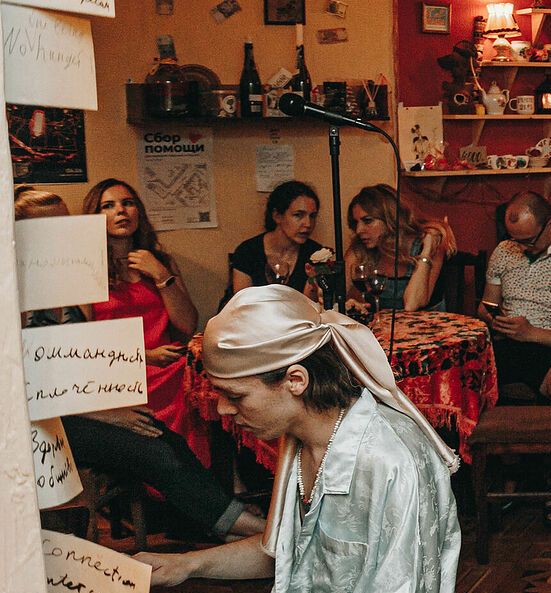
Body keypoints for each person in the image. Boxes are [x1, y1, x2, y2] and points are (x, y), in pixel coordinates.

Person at [134, 285, 461, 593]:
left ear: (295, 380)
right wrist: (187, 565)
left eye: (235, 395)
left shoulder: (390, 460)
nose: (223, 409)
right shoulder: (300, 437)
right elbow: (285, 549)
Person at [16, 186, 264, 541]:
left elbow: (79, 359)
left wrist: (108, 404)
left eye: (65, 221)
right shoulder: (14, 289)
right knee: (152, 447)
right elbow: (26, 386)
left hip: (82, 405)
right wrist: (107, 413)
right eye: (49, 226)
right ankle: (246, 528)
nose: (63, 232)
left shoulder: (63, 279)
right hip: (40, 423)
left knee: (165, 436)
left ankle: (224, 523)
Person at [84, 178, 208, 463]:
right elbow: (84, 344)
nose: (121, 211)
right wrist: (146, 356)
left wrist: (161, 275)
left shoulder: (161, 260)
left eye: (128, 203)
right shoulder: (87, 268)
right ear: (94, 216)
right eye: (108, 206)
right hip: (119, 373)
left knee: (203, 388)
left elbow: (187, 325)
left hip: (171, 371)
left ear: (138, 211)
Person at [478, 191, 551, 406]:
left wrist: (531, 333)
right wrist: (495, 319)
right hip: (506, 343)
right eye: (515, 239)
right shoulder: (504, 251)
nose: (521, 248)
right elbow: (486, 306)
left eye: (529, 241)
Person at [345, 184, 456, 313]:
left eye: (368, 221)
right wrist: (353, 304)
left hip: (425, 324)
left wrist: (426, 252)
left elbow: (412, 304)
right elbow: (336, 294)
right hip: (381, 325)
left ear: (390, 218)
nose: (359, 230)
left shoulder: (427, 245)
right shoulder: (361, 248)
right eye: (356, 223)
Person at [225, 181, 329, 303]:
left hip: (299, 314)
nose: (308, 224)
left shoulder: (315, 253)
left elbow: (310, 305)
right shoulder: (248, 251)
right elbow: (243, 304)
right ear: (277, 216)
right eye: (298, 215)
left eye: (312, 216)